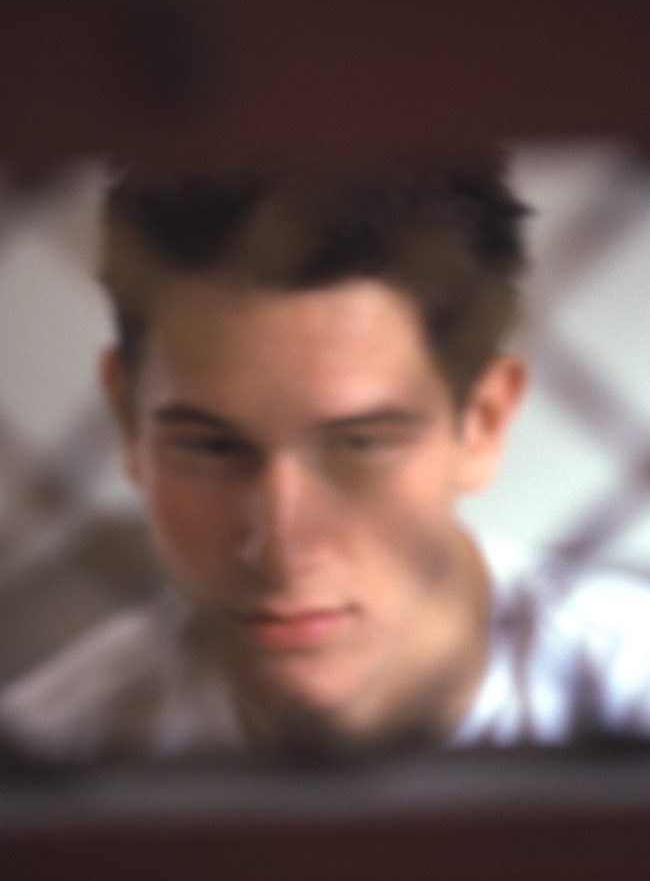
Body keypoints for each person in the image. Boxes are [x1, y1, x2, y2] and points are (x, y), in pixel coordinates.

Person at [2, 160, 650, 763]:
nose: (283, 548)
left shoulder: (629, 694)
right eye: (212, 446)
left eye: (360, 445)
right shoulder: (53, 761)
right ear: (126, 423)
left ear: (482, 424)